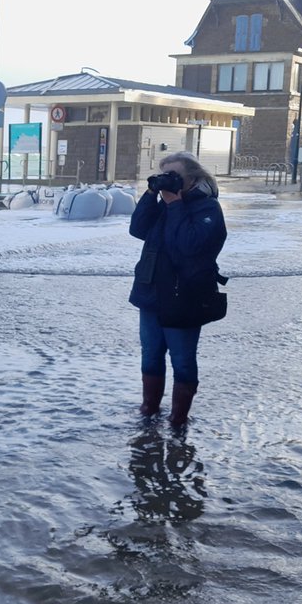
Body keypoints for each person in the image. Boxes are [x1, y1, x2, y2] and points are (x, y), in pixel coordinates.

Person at [128, 151, 227, 426]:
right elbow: (137, 229)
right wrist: (151, 194)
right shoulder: (163, 203)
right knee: (150, 353)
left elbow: (189, 246)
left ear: (192, 178)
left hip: (184, 295)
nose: (168, 182)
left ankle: (178, 417)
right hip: (151, 293)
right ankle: (149, 408)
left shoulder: (207, 208)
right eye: (164, 175)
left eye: (174, 176)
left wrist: (175, 206)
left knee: (182, 359)